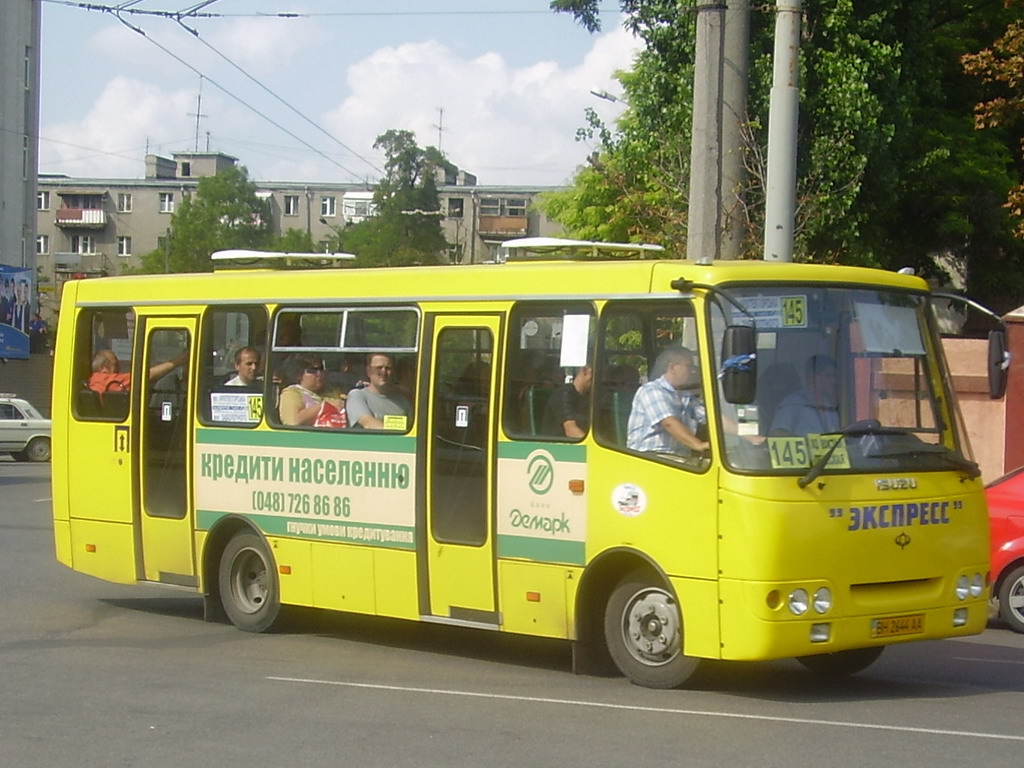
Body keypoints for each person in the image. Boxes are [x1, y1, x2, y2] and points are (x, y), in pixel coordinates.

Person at [626, 347, 709, 455]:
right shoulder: (652, 391)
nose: (693, 371)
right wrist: (698, 445)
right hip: (651, 458)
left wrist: (738, 430)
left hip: (678, 459)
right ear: (672, 367)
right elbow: (669, 423)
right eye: (689, 366)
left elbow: (711, 417)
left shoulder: (685, 395)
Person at [770, 354, 840, 435]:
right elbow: (777, 433)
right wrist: (804, 442)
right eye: (828, 376)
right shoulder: (792, 403)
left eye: (835, 376)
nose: (834, 381)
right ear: (813, 377)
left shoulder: (829, 406)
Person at [345, 352, 412, 430]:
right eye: (379, 368)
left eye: (388, 368)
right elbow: (368, 423)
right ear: (368, 371)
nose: (383, 372)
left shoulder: (403, 402)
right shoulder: (357, 396)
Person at [277, 353, 344, 426]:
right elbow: (293, 421)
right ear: (299, 374)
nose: (319, 374)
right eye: (312, 370)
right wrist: (325, 406)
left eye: (321, 369)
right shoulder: (292, 393)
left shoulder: (331, 390)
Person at [88, 348, 189, 395]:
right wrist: (176, 362)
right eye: (115, 364)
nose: (118, 368)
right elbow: (145, 377)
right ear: (103, 367)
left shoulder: (94, 379)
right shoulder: (107, 381)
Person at [541, 365, 593, 438]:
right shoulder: (563, 395)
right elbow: (571, 431)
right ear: (585, 371)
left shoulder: (588, 397)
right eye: (594, 374)